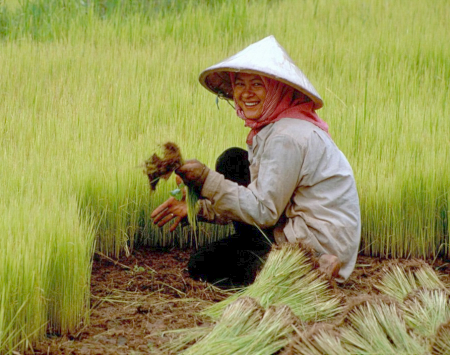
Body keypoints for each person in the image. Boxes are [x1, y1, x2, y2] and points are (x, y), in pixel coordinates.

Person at [151, 36, 361, 287]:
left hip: (315, 241)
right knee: (232, 161)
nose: (246, 93)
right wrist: (198, 209)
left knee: (205, 264)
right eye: (240, 84)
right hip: (292, 226)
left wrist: (206, 179)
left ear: (276, 89)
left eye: (257, 84)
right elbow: (259, 195)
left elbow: (264, 210)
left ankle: (309, 270)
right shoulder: (277, 128)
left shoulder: (286, 137)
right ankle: (287, 265)